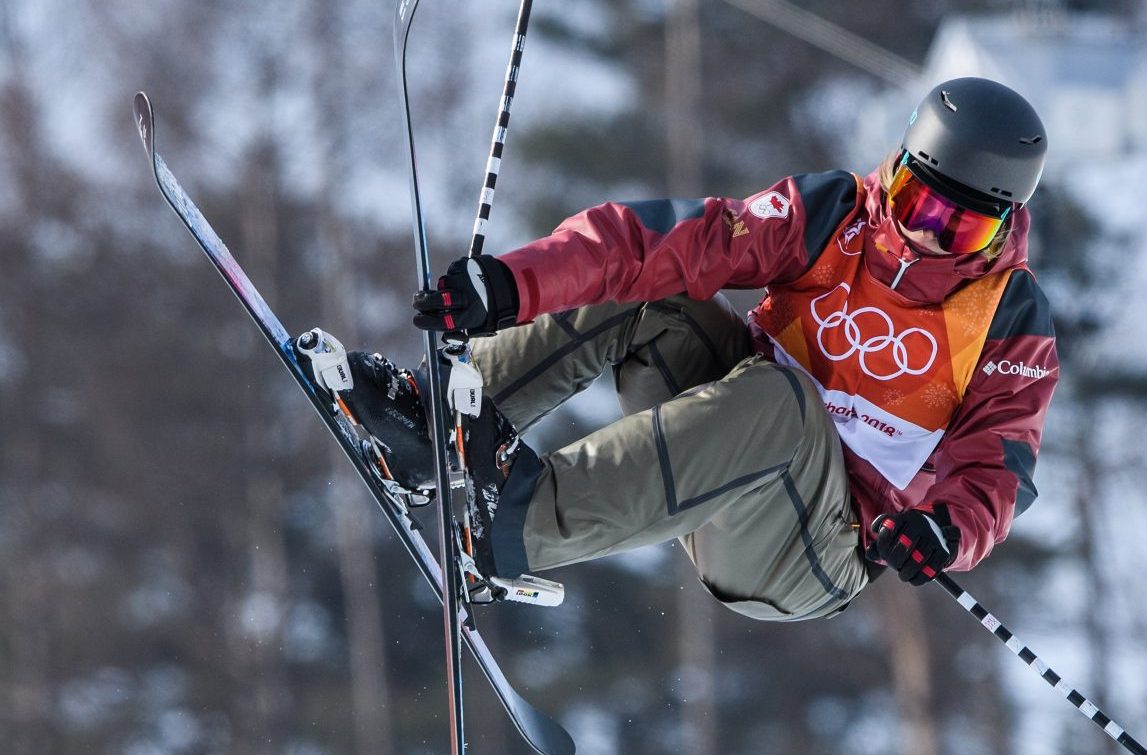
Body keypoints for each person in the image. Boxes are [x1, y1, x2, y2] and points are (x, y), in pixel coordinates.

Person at [337, 77, 1059, 620]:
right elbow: (677, 241)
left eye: (959, 228)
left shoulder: (1008, 318)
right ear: (894, 168)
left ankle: (520, 524)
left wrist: (942, 529)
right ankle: (429, 432)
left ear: (1001, 228)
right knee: (654, 281)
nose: (927, 233)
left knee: (783, 401)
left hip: (808, 551)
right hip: (719, 448)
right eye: (915, 200)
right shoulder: (835, 215)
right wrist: (511, 284)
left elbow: (998, 470)